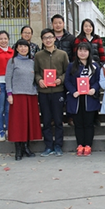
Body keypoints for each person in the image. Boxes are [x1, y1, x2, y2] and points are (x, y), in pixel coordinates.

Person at [34, 28, 69, 157]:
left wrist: (60, 79)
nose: (48, 40)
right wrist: (39, 80)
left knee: (59, 119)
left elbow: (67, 71)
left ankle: (58, 145)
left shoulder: (62, 54)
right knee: (46, 119)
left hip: (58, 91)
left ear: (54, 38)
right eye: (45, 38)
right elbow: (36, 72)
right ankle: (48, 146)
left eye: (50, 37)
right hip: (43, 92)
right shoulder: (38, 55)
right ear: (42, 40)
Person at [5, 39, 42, 160]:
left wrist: (36, 88)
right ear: (16, 48)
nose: (23, 49)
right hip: (17, 95)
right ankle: (18, 149)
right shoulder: (12, 61)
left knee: (28, 122)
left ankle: (26, 146)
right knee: (18, 123)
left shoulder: (32, 62)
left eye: (25, 47)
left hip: (30, 95)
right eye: (20, 47)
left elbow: (36, 77)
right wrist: (9, 94)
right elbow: (8, 79)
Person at [65, 42, 101, 157]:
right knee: (78, 124)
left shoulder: (95, 66)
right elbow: (67, 81)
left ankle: (88, 145)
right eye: (80, 50)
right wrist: (73, 91)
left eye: (85, 50)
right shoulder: (71, 66)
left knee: (89, 123)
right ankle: (80, 145)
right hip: (76, 99)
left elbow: (98, 81)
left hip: (89, 99)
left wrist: (94, 89)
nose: (82, 53)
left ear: (89, 52)